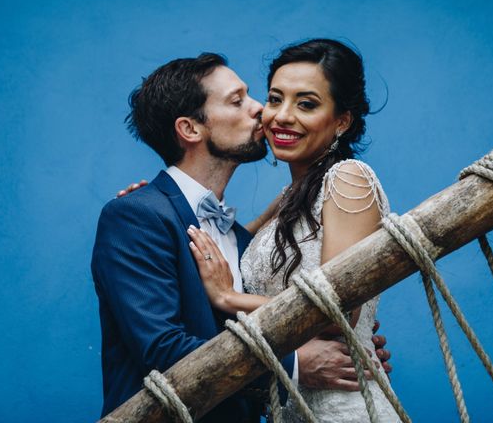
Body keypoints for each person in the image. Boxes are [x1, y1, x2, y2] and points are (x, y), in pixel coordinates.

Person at [91, 52, 390, 421]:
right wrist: (295, 363)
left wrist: (349, 339)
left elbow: (286, 312)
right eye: (239, 101)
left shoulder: (242, 238)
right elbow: (164, 352)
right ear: (190, 129)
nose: (262, 111)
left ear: (343, 120)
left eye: (255, 96)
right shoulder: (137, 216)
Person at [187, 39, 400, 422]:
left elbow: (336, 315)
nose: (282, 116)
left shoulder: (348, 179)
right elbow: (239, 245)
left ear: (342, 120)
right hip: (293, 408)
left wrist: (227, 297)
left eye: (307, 104)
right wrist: (157, 201)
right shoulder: (292, 198)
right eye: (274, 99)